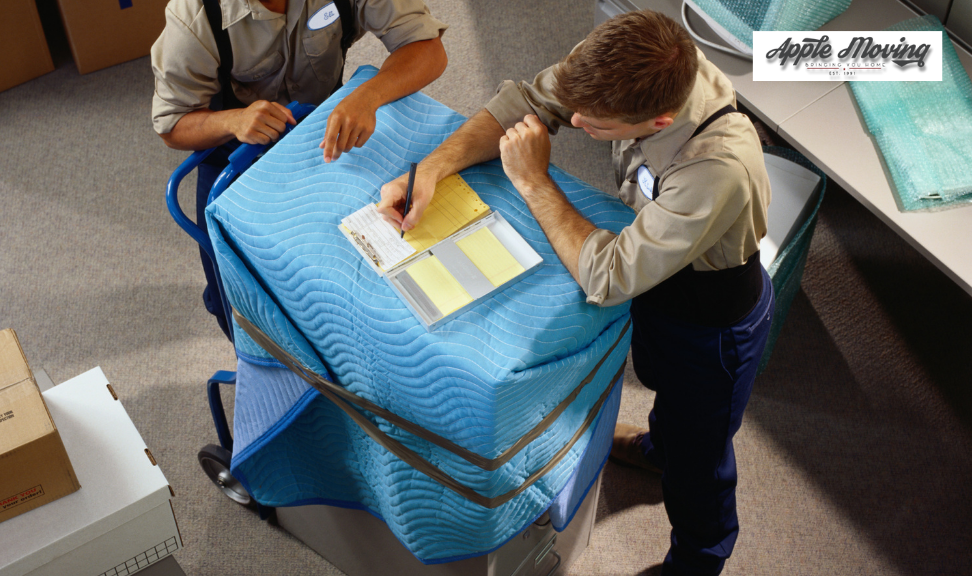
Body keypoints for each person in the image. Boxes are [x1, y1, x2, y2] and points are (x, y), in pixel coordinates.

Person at [378, 10, 773, 576]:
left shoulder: (718, 167)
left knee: (701, 462)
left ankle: (698, 558)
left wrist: (534, 180)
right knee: (659, 382)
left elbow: (609, 276)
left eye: (596, 124)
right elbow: (528, 102)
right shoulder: (625, 56)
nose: (575, 118)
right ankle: (658, 448)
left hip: (712, 322)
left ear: (659, 120)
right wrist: (433, 169)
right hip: (658, 286)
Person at [151, 0, 448, 338]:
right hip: (237, 162)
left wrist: (370, 95)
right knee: (242, 304)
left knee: (359, 279)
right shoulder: (195, 14)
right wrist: (234, 120)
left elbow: (428, 49)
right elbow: (171, 125)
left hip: (328, 137)